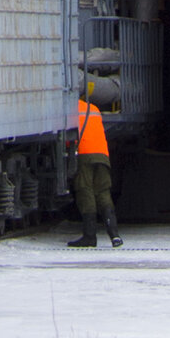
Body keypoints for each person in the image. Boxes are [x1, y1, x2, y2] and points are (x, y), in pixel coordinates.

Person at [66, 89, 121, 249]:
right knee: (103, 191)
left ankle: (90, 236)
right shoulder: (93, 108)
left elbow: (69, 137)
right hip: (102, 154)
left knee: (86, 191)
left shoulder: (70, 110)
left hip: (85, 154)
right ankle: (114, 235)